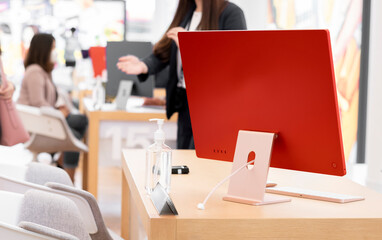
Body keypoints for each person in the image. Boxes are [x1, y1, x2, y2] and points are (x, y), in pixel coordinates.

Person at [117, 0, 247, 149]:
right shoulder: (187, 12)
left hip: (213, 106)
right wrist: (143, 65)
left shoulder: (231, 14)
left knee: (200, 161)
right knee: (184, 158)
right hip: (185, 101)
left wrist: (190, 46)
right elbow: (165, 50)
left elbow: (234, 62)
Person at [17, 33, 88, 181]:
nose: (55, 52)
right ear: (44, 49)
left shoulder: (43, 71)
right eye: (53, 48)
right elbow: (38, 103)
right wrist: (59, 113)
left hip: (45, 121)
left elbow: (47, 101)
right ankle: (67, 176)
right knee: (76, 130)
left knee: (80, 122)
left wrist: (60, 109)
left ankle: (64, 165)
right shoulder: (35, 71)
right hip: (36, 127)